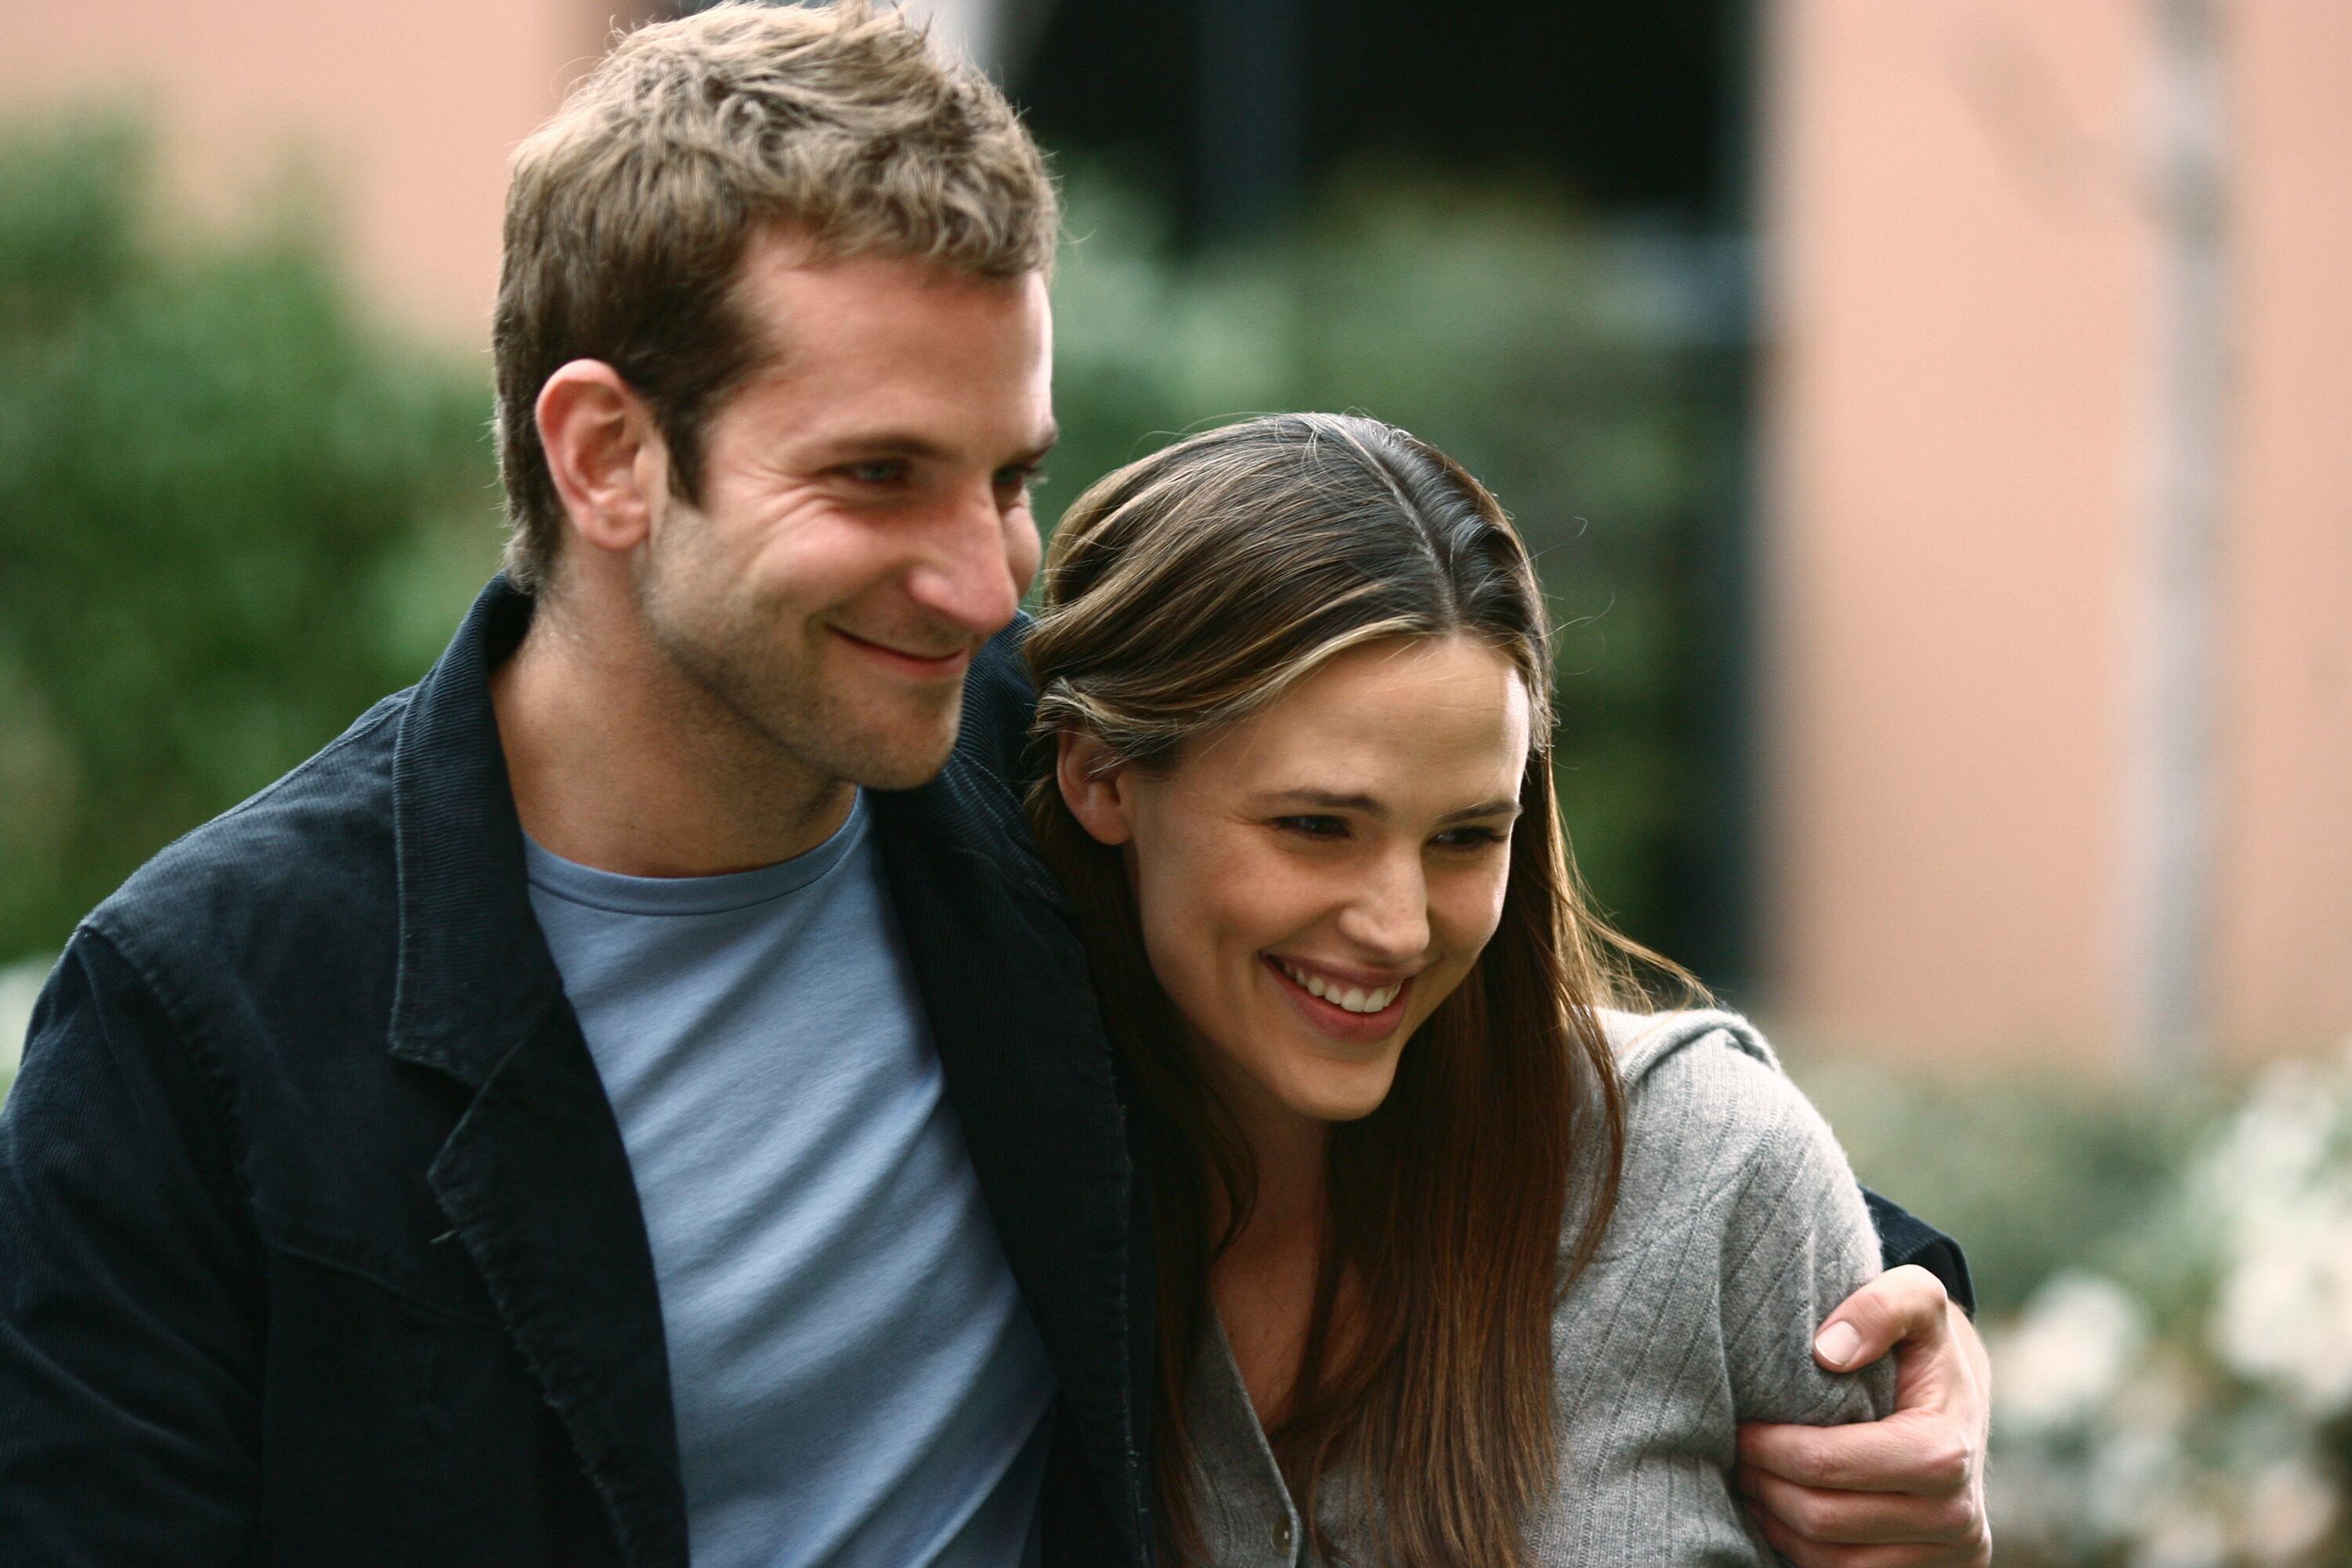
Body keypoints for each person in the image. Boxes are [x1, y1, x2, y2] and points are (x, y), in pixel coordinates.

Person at [0, 5, 1986, 1566]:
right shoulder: (200, 1020)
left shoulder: (1043, 790)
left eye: (1013, 473)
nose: (986, 579)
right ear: (608, 456)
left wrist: (1895, 1313)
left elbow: (1463, 1039)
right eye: (878, 478)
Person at [1018, 412, 1937, 1566]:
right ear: (1103, 778)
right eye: (1316, 827)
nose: (1399, 927)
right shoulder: (976, 1187)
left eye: (1464, 838)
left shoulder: (1710, 1167)